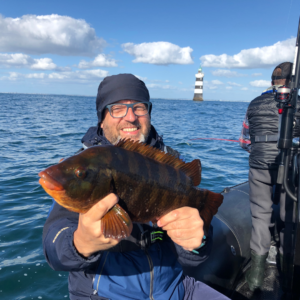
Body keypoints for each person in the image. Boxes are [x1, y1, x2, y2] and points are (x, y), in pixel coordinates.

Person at [43, 74, 229, 300]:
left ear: (148, 114)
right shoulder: (84, 170)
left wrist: (197, 241)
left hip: (176, 289)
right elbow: (55, 245)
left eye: (139, 107)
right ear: (101, 119)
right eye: (117, 108)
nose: (130, 117)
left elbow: (194, 258)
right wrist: (79, 243)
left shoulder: (169, 166)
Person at [239, 62, 296, 291]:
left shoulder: (254, 103)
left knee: (260, 216)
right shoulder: (298, 103)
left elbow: (244, 142)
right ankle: (286, 273)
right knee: (287, 218)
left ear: (272, 81)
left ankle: (255, 277)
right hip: (291, 168)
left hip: (259, 166)